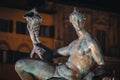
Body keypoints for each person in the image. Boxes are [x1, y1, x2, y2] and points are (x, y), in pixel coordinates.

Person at [15, 8, 105, 80]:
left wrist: (90, 75)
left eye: (79, 20)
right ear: (71, 22)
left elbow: (102, 65)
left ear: (84, 21)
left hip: (70, 77)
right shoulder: (73, 44)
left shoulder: (91, 42)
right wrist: (38, 44)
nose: (76, 23)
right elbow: (52, 54)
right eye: (74, 20)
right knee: (20, 64)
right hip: (57, 69)